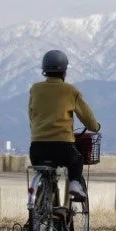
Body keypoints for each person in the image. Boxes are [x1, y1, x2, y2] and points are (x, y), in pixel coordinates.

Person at [29, 49, 100, 201]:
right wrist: (95, 127)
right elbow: (87, 118)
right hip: (62, 147)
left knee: (46, 176)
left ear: (44, 70)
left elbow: (32, 116)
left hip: (37, 148)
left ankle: (39, 212)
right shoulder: (70, 91)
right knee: (76, 160)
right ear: (64, 71)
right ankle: (74, 184)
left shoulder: (35, 89)